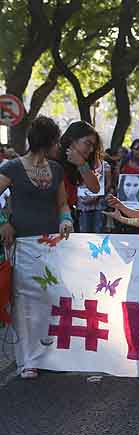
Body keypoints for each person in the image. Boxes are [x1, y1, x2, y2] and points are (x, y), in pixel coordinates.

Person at [0, 116, 73, 379]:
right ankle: (27, 360)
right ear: (50, 142)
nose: (59, 146)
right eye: (57, 141)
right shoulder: (12, 167)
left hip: (52, 246)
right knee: (24, 301)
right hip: (22, 246)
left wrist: (66, 220)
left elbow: (62, 204)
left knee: (52, 297)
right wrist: (4, 222)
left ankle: (48, 352)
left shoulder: (56, 169)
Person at [58, 121, 102, 213]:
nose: (91, 150)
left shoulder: (80, 164)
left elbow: (95, 188)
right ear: (72, 140)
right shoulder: (54, 160)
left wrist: (81, 164)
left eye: (93, 146)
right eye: (88, 143)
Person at [76, 158, 111, 233]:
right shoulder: (79, 163)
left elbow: (108, 184)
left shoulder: (105, 165)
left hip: (99, 204)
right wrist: (81, 198)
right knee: (84, 232)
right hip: (84, 204)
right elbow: (77, 182)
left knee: (99, 233)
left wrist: (97, 196)